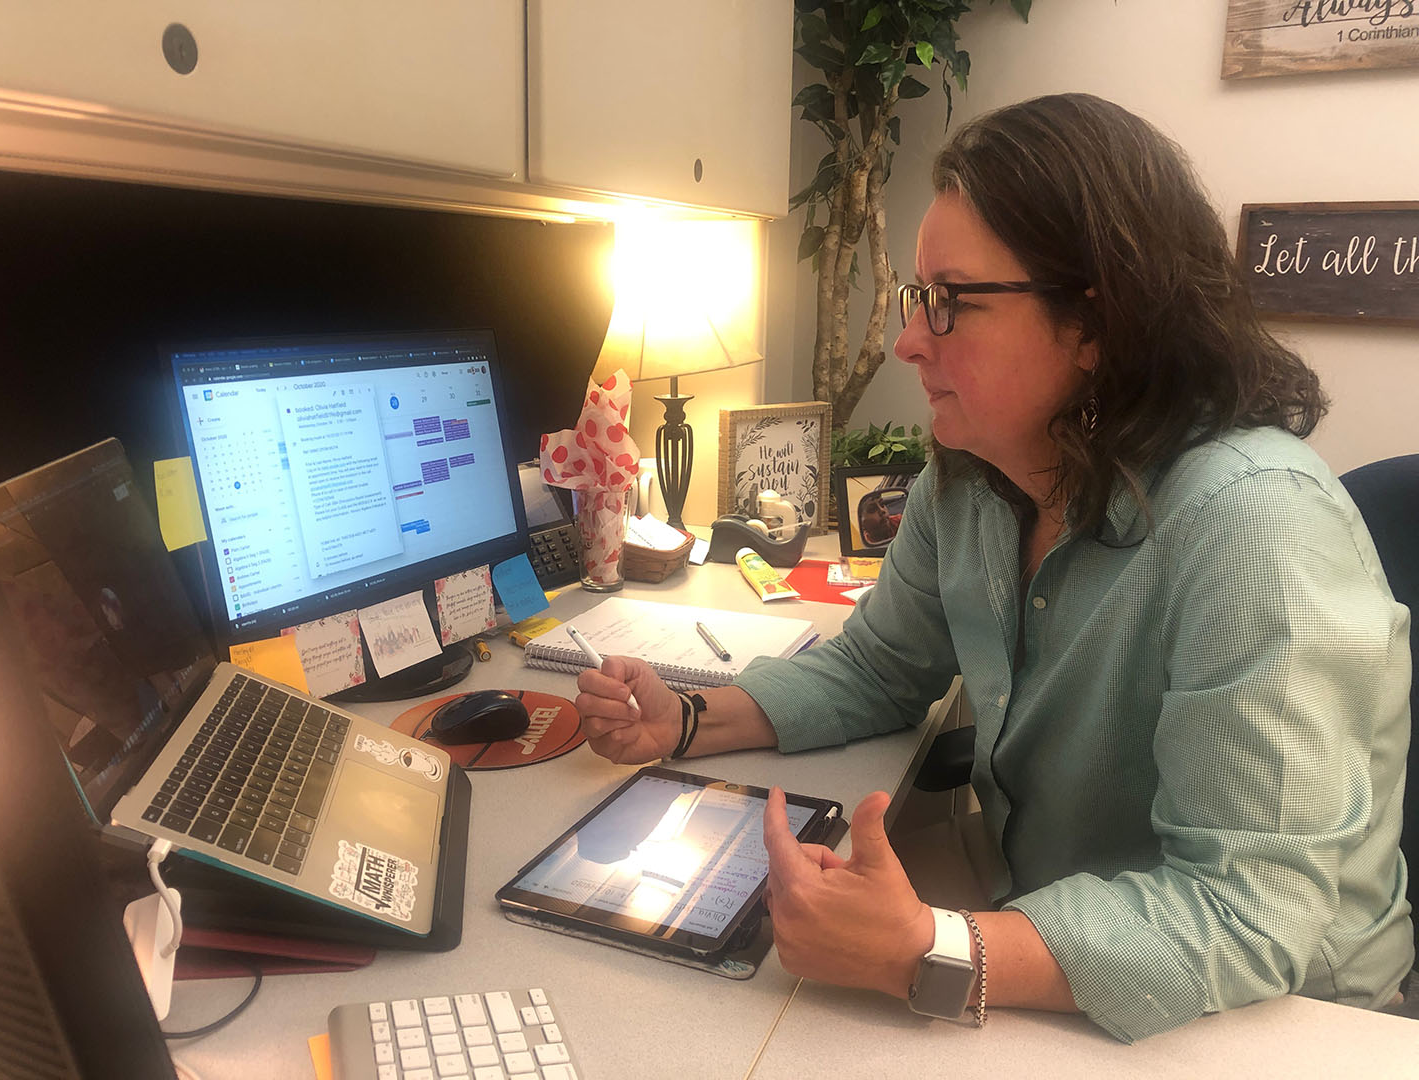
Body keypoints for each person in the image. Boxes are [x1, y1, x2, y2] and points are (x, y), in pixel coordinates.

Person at [574, 93, 1413, 1043]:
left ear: (1095, 322)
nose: (908, 339)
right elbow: (880, 669)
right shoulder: (973, 478)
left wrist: (929, 950)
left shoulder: (1255, 525)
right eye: (916, 296)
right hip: (1067, 930)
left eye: (951, 301)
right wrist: (685, 716)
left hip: (1289, 1019)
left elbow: (1249, 915)